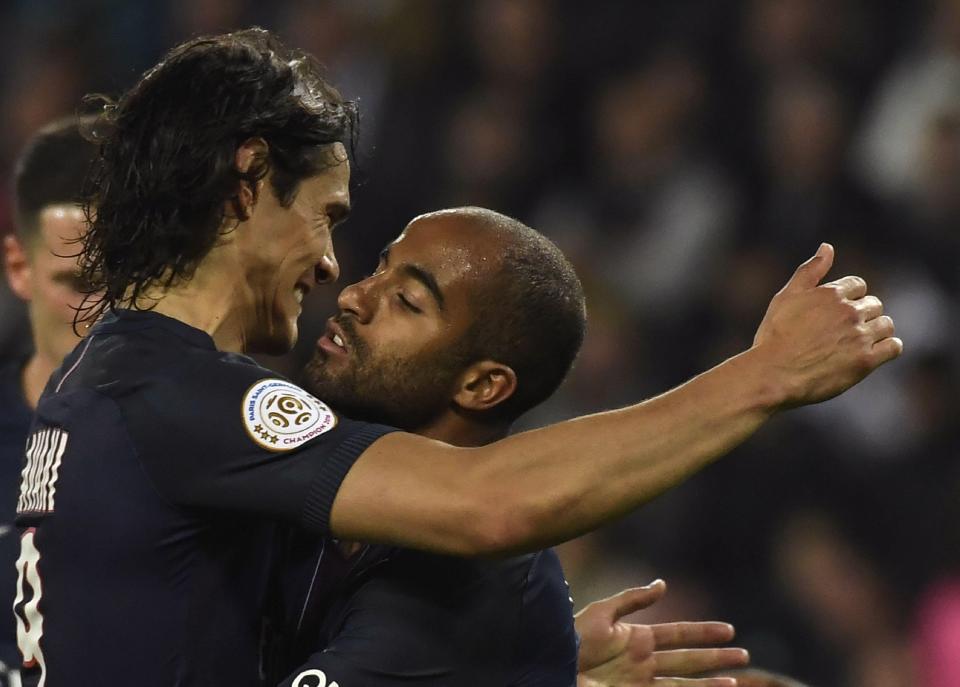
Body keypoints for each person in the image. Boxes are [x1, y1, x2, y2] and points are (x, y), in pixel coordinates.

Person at [15, 28, 900, 687]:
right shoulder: (184, 395)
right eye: (325, 215)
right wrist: (765, 375)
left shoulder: (97, 382)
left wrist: (524, 659)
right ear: (249, 179)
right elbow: (491, 504)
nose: (332, 268)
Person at [274, 208, 749, 687]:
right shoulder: (304, 462)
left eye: (406, 300)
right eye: (379, 267)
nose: (355, 295)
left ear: (481, 385)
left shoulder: (463, 590)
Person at [1, 117, 96, 685]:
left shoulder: (208, 448)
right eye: (80, 283)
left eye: (131, 279)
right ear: (19, 268)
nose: (106, 312)